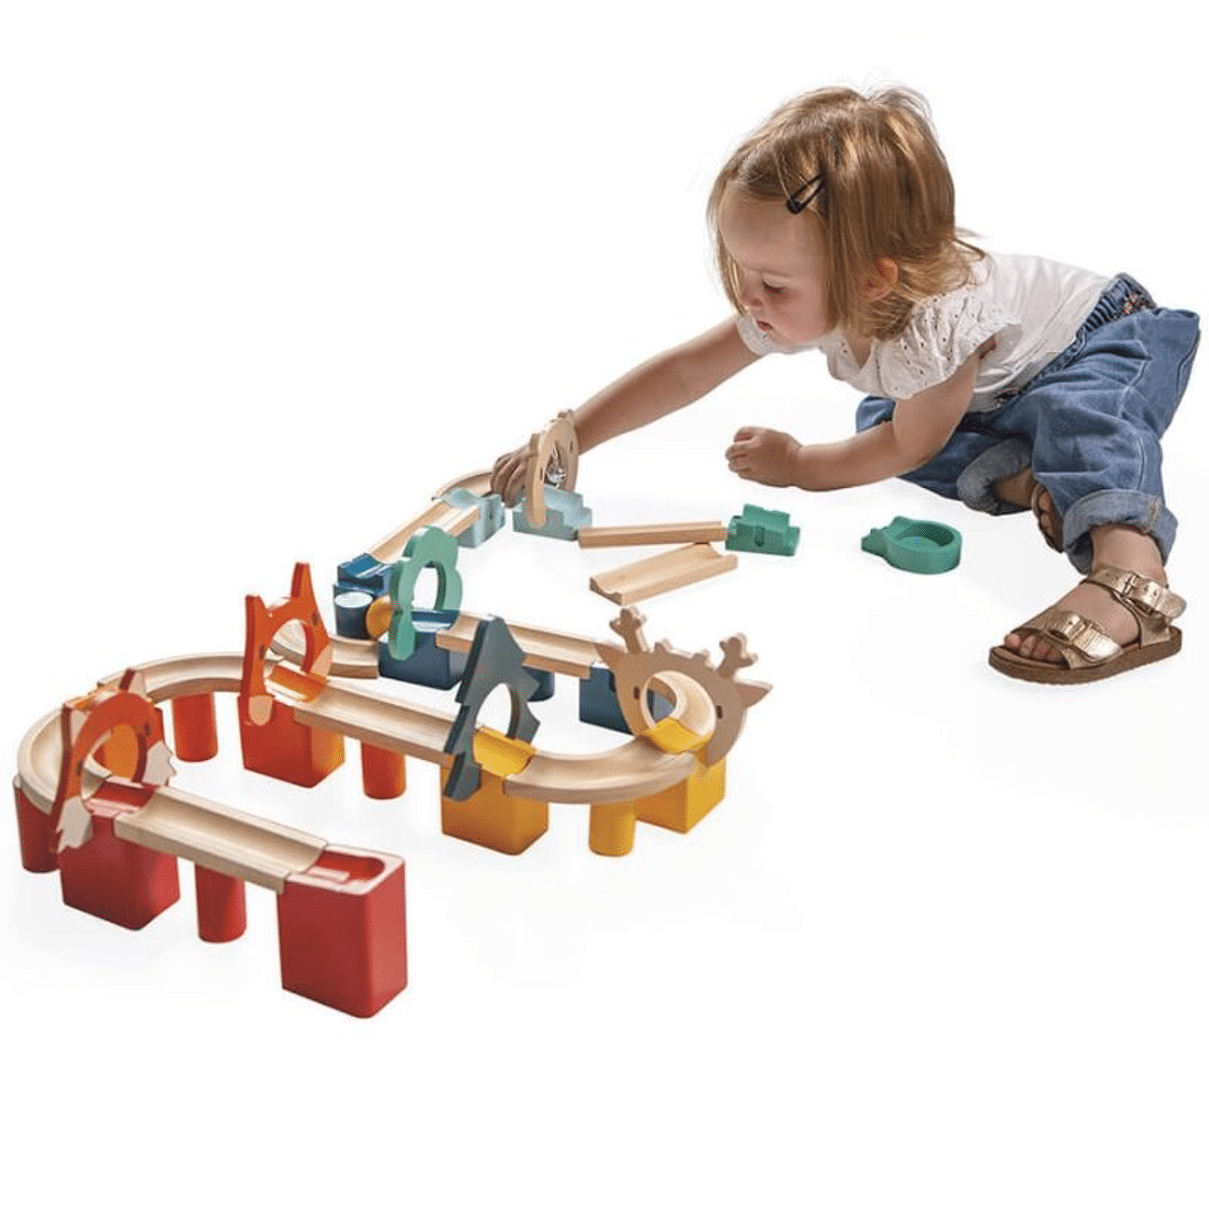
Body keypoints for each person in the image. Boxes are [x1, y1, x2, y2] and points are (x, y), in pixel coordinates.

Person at [491, 86, 1200, 684]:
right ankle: (1035, 481)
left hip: (1105, 340)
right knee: (880, 427)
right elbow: (684, 372)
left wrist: (801, 465)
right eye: (741, 272)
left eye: (772, 284)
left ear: (872, 280)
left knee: (1073, 419)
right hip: (994, 393)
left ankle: (1129, 571)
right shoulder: (809, 295)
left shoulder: (938, 325)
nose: (749, 299)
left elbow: (909, 447)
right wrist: (573, 435)